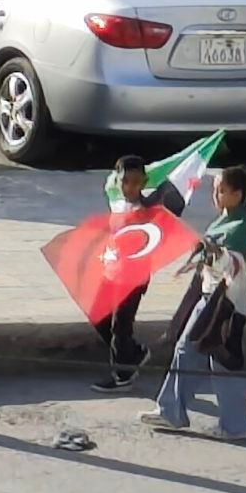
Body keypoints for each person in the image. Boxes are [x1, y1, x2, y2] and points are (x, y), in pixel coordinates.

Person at [140, 166, 246, 440]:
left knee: (211, 358)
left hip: (223, 302)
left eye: (220, 190)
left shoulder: (240, 227)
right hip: (210, 296)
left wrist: (215, 252)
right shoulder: (225, 219)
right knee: (197, 353)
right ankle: (177, 412)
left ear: (237, 194)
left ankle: (230, 425)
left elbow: (234, 263)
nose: (214, 195)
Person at [91, 155, 153, 393]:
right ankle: (134, 353)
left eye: (137, 182)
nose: (131, 187)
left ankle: (122, 374)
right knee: (99, 314)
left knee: (121, 325)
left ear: (144, 182)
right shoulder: (116, 202)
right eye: (126, 181)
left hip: (133, 277)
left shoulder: (146, 210)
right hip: (112, 270)